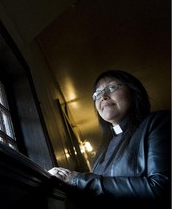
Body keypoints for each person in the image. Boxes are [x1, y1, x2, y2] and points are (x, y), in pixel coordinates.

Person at [48, 70, 171, 208]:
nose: (103, 96)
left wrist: (78, 180)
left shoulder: (158, 122)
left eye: (111, 88)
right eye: (98, 94)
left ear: (133, 91)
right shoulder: (103, 149)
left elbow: (163, 188)